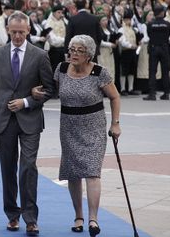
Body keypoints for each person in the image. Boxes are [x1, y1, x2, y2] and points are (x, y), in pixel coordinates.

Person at [33, 35, 120, 237]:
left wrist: (116, 124)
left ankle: (93, 219)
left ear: (89, 55)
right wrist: (37, 93)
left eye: (79, 50)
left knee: (92, 171)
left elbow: (115, 97)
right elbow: (51, 91)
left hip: (94, 127)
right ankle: (78, 216)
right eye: (72, 49)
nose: (74, 53)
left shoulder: (99, 72)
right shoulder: (62, 69)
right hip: (69, 127)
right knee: (73, 173)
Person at [0, 11, 54, 236]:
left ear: (28, 31)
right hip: (4, 121)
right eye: (14, 32)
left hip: (30, 120)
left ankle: (31, 218)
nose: (17, 36)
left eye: (21, 32)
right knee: (7, 169)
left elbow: (50, 89)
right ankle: (12, 215)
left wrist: (26, 101)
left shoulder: (40, 55)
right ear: (8, 30)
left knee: (28, 167)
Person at [144, 5, 170, 101]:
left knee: (152, 71)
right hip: (164, 48)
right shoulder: (167, 24)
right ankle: (166, 93)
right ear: (162, 13)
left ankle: (152, 94)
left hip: (154, 48)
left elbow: (149, 35)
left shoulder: (150, 24)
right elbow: (168, 35)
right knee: (165, 72)